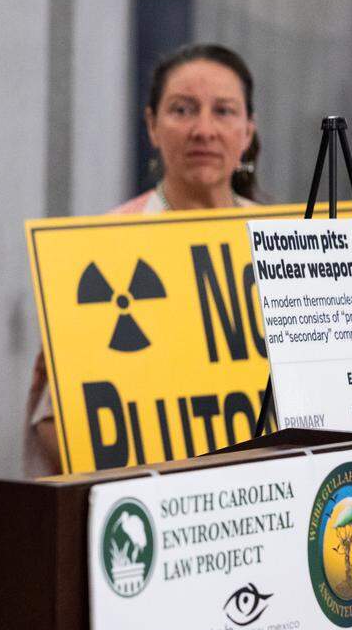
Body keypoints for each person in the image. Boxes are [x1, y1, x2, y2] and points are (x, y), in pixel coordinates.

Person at [25, 43, 260, 476]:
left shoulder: (289, 246)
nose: (203, 129)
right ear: (152, 125)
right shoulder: (102, 245)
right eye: (183, 110)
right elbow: (55, 423)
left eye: (223, 111)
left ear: (248, 130)